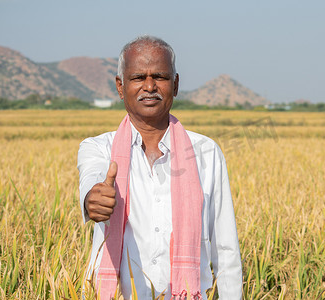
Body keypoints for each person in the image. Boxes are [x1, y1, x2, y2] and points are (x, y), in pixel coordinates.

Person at [77, 35, 242, 300]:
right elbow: (92, 180)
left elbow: (225, 248)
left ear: (175, 85)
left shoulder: (206, 152)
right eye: (138, 77)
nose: (150, 86)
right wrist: (92, 200)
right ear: (120, 87)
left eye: (161, 77)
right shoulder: (98, 148)